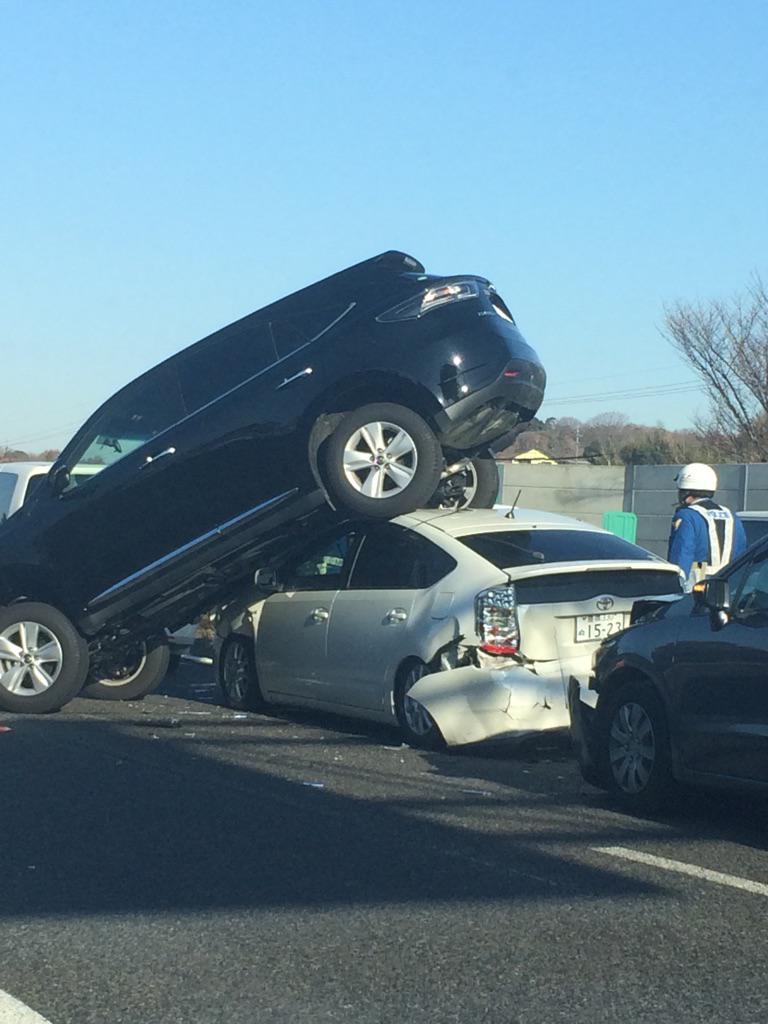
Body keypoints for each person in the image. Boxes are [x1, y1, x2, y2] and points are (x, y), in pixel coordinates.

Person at [668, 463, 747, 589]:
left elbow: (682, 555)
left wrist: (675, 586)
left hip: (695, 588)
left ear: (686, 490)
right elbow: (741, 554)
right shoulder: (732, 516)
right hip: (727, 588)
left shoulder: (687, 516)